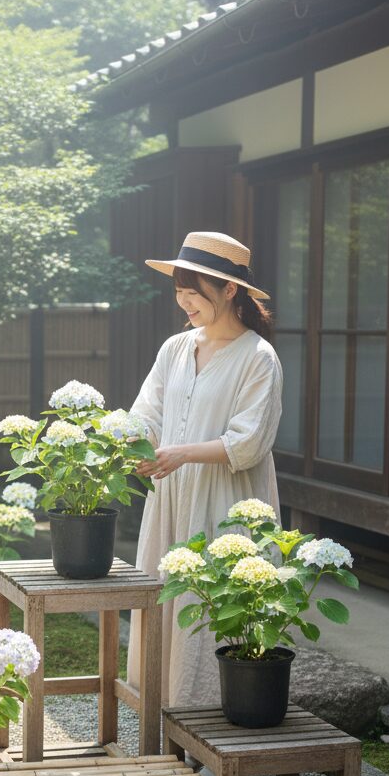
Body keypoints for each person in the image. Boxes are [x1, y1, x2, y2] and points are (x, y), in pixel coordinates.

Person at [127, 231, 283, 708]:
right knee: (166, 598)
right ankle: (161, 716)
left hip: (225, 501)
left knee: (214, 606)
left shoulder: (259, 358)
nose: (184, 303)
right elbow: (147, 410)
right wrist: (137, 443)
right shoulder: (175, 348)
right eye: (179, 292)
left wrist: (181, 454)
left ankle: (212, 726)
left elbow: (249, 442)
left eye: (193, 293)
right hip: (171, 495)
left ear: (229, 289)